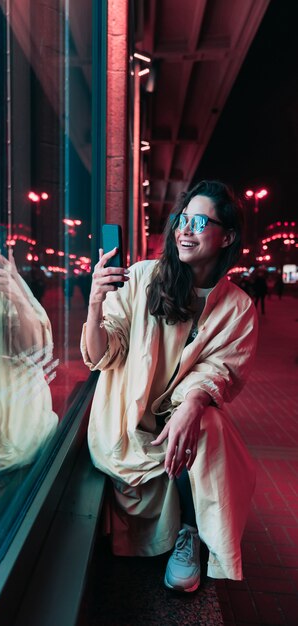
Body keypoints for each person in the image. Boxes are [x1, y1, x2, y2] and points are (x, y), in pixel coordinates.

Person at [81, 180, 258, 592]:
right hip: (127, 431)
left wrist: (193, 404)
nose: (185, 229)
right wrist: (94, 304)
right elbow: (102, 353)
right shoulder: (144, 277)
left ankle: (190, 534)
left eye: (199, 221)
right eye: (182, 219)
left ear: (226, 236)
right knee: (199, 424)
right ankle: (182, 522)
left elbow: (221, 373)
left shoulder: (238, 307)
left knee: (207, 423)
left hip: (179, 432)